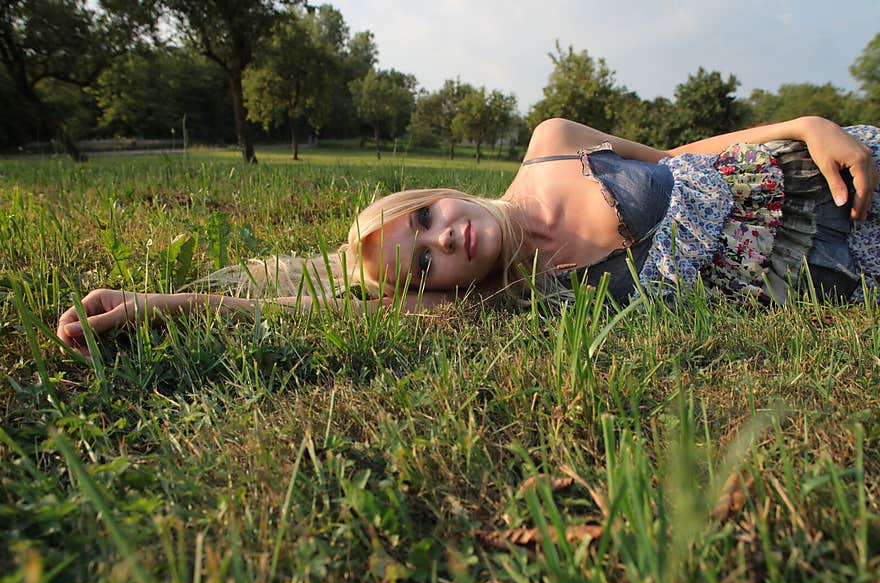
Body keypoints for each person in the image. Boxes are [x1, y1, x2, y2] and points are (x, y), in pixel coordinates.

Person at [57, 116, 880, 356]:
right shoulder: (517, 301)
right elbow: (326, 314)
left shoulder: (554, 141)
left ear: (436, 194)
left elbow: (677, 155)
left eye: (424, 219)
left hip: (819, 174)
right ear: (435, 288)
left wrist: (812, 125)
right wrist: (153, 304)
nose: (444, 239)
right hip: (842, 276)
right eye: (423, 262)